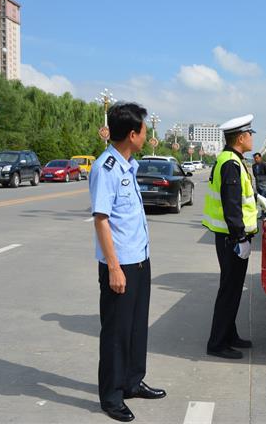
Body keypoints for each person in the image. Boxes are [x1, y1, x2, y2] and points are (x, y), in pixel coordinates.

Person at [89, 102, 166, 422]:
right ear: (132, 134)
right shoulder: (105, 167)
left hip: (139, 260)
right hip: (119, 265)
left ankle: (132, 382)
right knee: (116, 333)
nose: (147, 135)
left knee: (135, 329)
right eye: (144, 130)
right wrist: (115, 267)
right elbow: (102, 219)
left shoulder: (127, 164)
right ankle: (111, 395)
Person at [202, 114, 266, 359]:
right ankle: (217, 343)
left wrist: (255, 197)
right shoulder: (230, 162)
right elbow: (231, 205)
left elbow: (239, 196)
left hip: (231, 237)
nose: (252, 137)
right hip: (232, 239)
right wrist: (240, 238)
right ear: (241, 137)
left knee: (232, 290)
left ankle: (229, 335)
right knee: (229, 291)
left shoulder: (234, 159)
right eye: (250, 134)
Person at [252, 152, 266, 218]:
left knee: (264, 199)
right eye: (255, 158)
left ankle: (265, 215)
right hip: (258, 184)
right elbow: (255, 175)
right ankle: (262, 214)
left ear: (260, 158)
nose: (256, 159)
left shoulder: (265, 164)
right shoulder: (254, 166)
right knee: (260, 200)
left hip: (265, 184)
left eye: (257, 158)